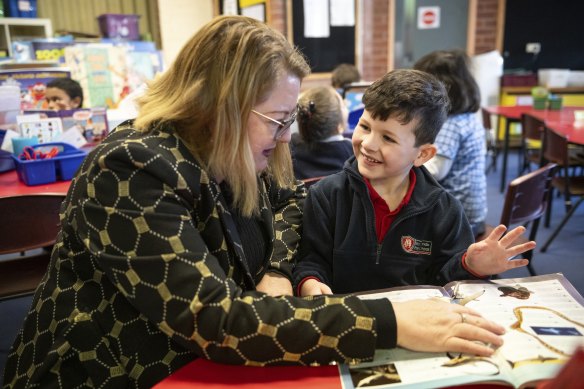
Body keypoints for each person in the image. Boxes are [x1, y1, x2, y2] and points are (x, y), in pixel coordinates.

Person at [3, 17, 507, 388]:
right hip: (104, 373)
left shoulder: (237, 155)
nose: (288, 137)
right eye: (277, 120)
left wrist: (279, 269)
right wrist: (389, 321)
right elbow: (215, 321)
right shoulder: (133, 168)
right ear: (220, 105)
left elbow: (290, 205)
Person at [293, 69, 535, 296]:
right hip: (350, 326)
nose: (368, 144)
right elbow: (311, 261)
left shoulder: (445, 211)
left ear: (422, 155)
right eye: (364, 127)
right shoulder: (325, 196)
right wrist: (310, 282)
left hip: (418, 330)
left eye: (388, 138)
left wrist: (470, 266)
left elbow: (448, 286)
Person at [413, 49, 487, 238]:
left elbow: (436, 171)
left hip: (457, 221)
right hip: (474, 213)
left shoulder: (450, 124)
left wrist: (403, 161)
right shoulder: (469, 117)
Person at [290, 86, 353, 179]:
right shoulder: (351, 150)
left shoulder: (291, 145)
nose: (346, 105)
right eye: (343, 105)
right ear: (339, 124)